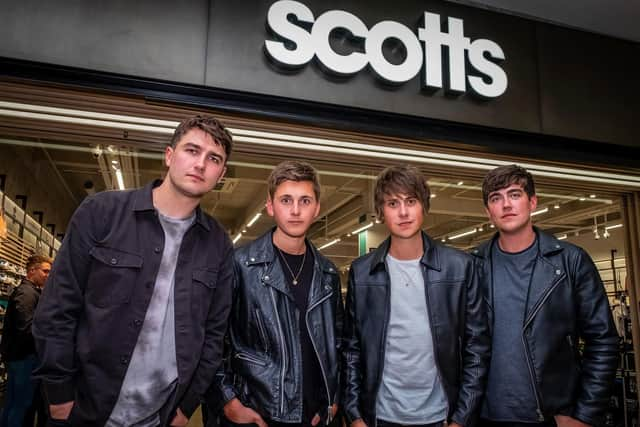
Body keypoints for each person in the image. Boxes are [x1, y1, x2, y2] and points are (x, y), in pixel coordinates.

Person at [32, 115, 235, 426]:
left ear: (220, 174)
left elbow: (213, 334)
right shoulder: (102, 212)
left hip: (160, 415)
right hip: (84, 409)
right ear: (169, 155)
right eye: (191, 150)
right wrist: (59, 395)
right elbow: (57, 307)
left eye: (214, 158)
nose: (201, 164)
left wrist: (186, 405)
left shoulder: (219, 244)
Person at [342, 165, 489, 427]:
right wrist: (354, 415)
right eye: (392, 203)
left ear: (424, 206)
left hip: (441, 416)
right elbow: (352, 349)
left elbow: (476, 349)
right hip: (380, 416)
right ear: (381, 211)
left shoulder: (461, 267)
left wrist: (461, 418)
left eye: (411, 201)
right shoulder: (363, 272)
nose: (403, 212)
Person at [472, 164, 619, 427]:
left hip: (553, 416)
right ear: (488, 211)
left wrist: (584, 415)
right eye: (496, 198)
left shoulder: (571, 262)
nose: (506, 204)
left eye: (515, 194)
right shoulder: (473, 265)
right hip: (483, 416)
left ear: (532, 202)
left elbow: (603, 341)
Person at [215, 160, 343, 427]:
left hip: (313, 417)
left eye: (305, 201)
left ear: (317, 208)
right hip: (257, 414)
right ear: (270, 206)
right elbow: (213, 340)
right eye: (286, 200)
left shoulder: (328, 273)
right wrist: (228, 400)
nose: (295, 210)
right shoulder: (240, 264)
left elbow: (337, 345)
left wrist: (332, 398)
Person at [0, 255, 51, 427]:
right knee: (21, 405)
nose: (48, 275)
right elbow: (26, 329)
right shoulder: (27, 293)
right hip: (24, 358)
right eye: (45, 271)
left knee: (14, 404)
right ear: (32, 271)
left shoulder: (29, 292)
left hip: (21, 357)